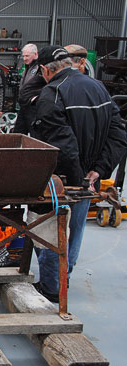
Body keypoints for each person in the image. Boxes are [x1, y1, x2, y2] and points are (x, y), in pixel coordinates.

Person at [32, 45, 127, 302]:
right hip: (87, 180)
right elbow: (118, 135)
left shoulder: (52, 93)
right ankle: (64, 278)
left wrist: (77, 178)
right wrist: (98, 171)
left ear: (44, 70)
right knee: (75, 230)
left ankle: (51, 288)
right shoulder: (98, 88)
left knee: (51, 230)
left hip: (61, 183)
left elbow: (64, 146)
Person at [14, 43, 46, 135]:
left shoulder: (40, 68)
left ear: (35, 54)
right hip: (24, 106)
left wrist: (36, 98)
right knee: (18, 133)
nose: (24, 58)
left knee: (34, 133)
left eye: (27, 56)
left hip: (33, 107)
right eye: (23, 56)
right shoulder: (26, 67)